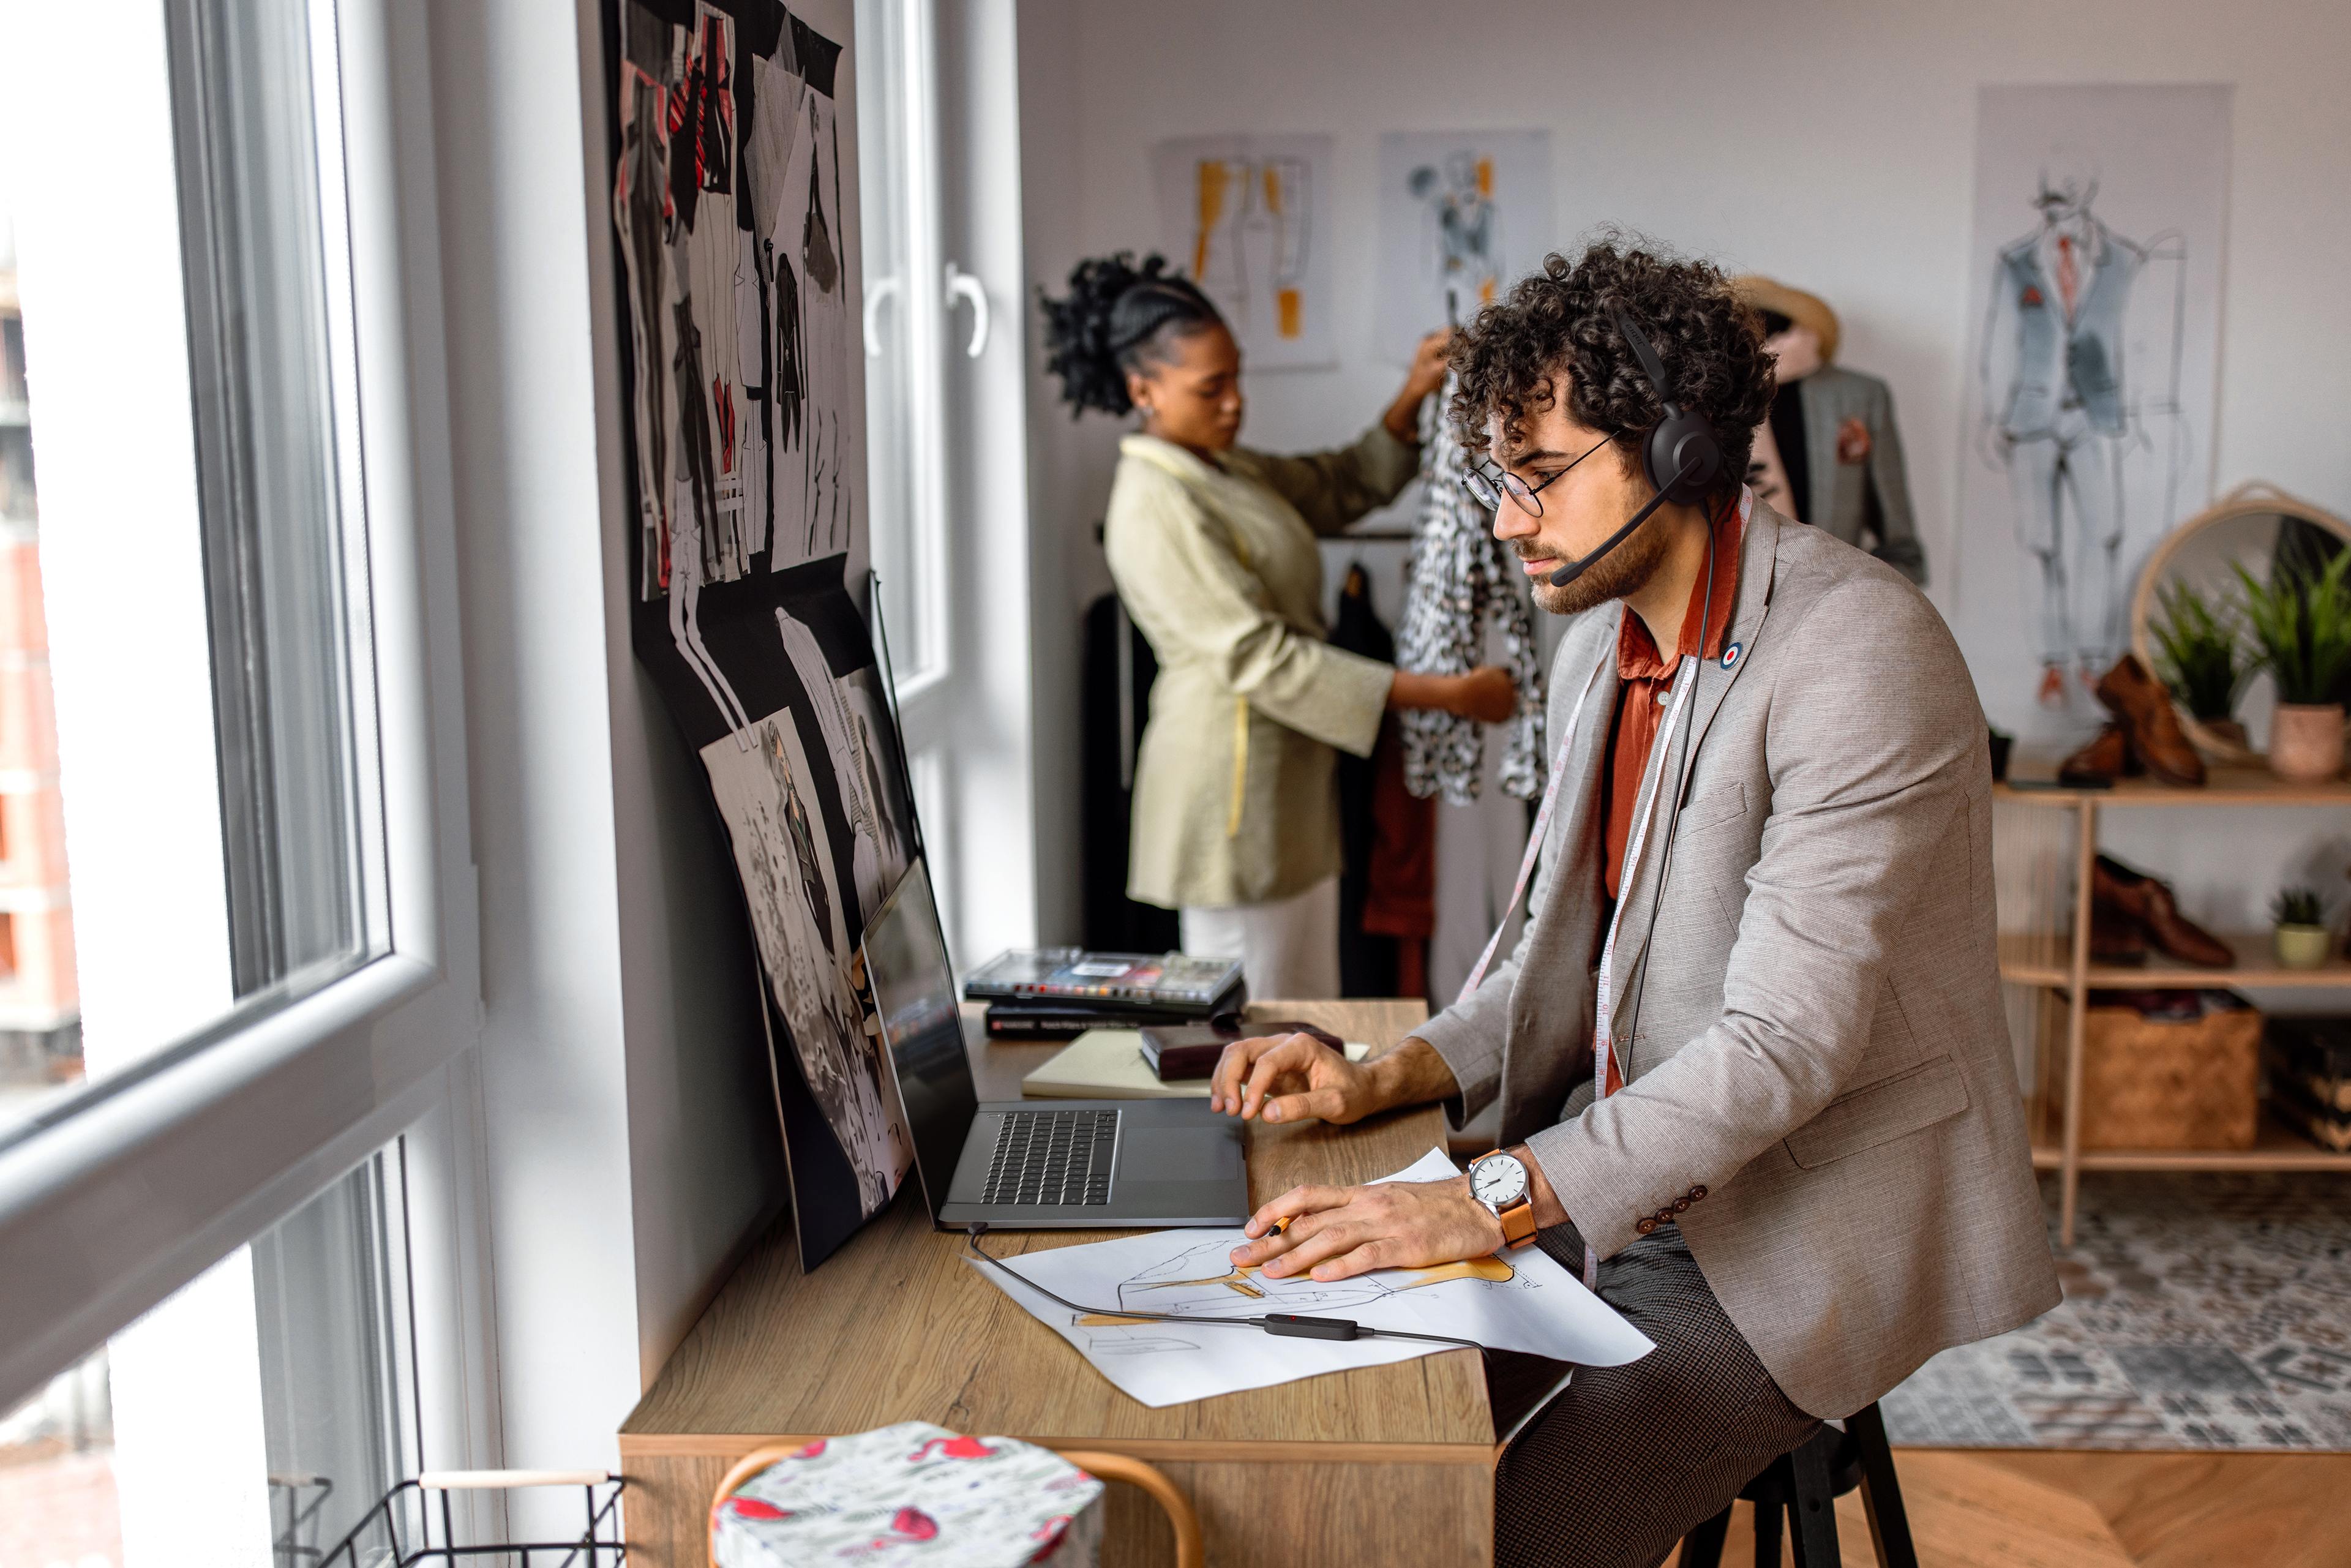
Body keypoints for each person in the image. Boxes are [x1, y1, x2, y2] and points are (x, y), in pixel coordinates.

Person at [1204, 240, 2057, 1567]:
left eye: (1540, 478)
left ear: (1676, 450)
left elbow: (1785, 1048)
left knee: (1465, 1525)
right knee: (1329, 1409)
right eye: (1504, 479)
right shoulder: (1600, 634)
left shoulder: (1861, 652)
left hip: (1800, 1208)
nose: (1506, 520)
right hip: (1630, 1166)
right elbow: (1551, 954)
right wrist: (1382, 1073)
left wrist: (1483, 1199)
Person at [1041, 253, 1516, 999]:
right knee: (1258, 1022)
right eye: (1211, 388)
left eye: (1237, 379)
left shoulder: (1219, 467)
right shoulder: (1155, 502)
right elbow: (1258, 657)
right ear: (1144, 389)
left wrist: (1412, 395)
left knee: (1302, 1008)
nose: (1234, 403)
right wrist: (1448, 694)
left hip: (1284, 787)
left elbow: (1332, 485)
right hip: (1231, 795)